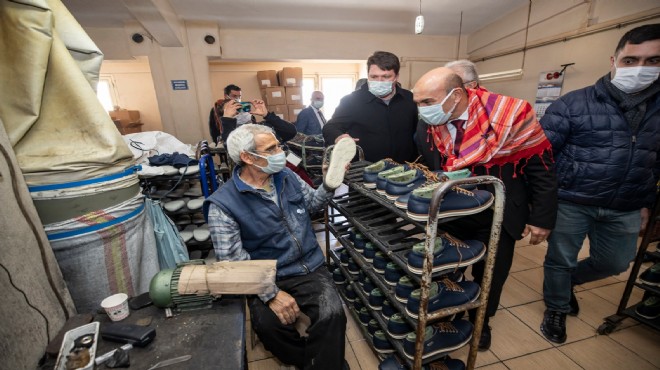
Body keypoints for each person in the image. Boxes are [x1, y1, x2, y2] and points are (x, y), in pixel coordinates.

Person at [413, 67, 558, 350]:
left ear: (455, 96)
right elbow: (429, 162)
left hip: (499, 211)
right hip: (450, 209)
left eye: (427, 102)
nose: (421, 110)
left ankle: (482, 320)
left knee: (491, 272)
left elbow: (542, 168)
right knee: (444, 266)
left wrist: (541, 218)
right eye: (418, 103)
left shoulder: (510, 117)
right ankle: (445, 311)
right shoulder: (429, 123)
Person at [539, 24, 660, 344]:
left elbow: (655, 160)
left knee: (617, 261)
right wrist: (541, 207)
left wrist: (646, 201)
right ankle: (556, 306)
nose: (640, 69)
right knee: (560, 259)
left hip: (626, 203)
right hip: (572, 199)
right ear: (614, 60)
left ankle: (565, 284)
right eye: (631, 60)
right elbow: (541, 156)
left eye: (653, 61)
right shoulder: (572, 104)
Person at [204, 123, 354, 370]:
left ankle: (325, 363)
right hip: (267, 274)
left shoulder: (287, 177)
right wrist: (270, 294)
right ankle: (316, 361)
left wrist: (328, 184)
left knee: (332, 314)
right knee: (268, 328)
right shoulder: (223, 205)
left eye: (278, 145)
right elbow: (233, 263)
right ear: (247, 157)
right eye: (271, 148)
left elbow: (313, 205)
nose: (280, 151)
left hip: (308, 266)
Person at [323, 51, 419, 163]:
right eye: (374, 77)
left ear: (396, 77)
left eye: (386, 76)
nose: (379, 81)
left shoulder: (410, 99)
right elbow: (330, 127)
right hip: (366, 170)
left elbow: (419, 132)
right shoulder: (351, 101)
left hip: (405, 169)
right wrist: (339, 137)